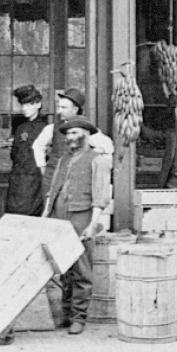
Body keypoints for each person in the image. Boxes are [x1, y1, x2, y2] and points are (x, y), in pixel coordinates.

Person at [43, 116, 113, 335]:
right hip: (59, 216)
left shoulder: (97, 159)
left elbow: (100, 196)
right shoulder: (64, 159)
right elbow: (52, 189)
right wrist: (46, 215)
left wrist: (92, 225)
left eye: (75, 133)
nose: (71, 137)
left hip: (80, 217)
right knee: (64, 268)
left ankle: (78, 318)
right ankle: (65, 313)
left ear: (86, 134)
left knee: (82, 269)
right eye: (68, 134)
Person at [34, 87, 114, 194]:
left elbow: (108, 146)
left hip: (74, 182)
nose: (59, 111)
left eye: (63, 107)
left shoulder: (86, 129)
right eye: (59, 107)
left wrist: (93, 152)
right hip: (52, 180)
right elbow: (38, 146)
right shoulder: (52, 128)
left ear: (75, 110)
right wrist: (43, 169)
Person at [5, 84, 48, 217]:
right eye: (23, 105)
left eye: (29, 104)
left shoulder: (46, 128)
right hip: (17, 180)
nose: (24, 108)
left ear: (39, 105)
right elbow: (14, 154)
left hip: (34, 181)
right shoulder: (20, 128)